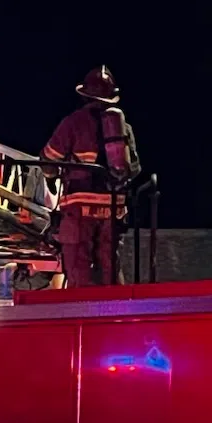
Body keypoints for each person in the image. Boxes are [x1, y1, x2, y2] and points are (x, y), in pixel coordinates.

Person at [41, 66, 141, 287]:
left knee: (78, 264)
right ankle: (116, 312)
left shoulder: (73, 123)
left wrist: (54, 176)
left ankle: (82, 311)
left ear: (85, 95)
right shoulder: (124, 128)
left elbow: (48, 161)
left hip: (79, 206)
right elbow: (134, 168)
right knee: (110, 265)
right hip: (113, 207)